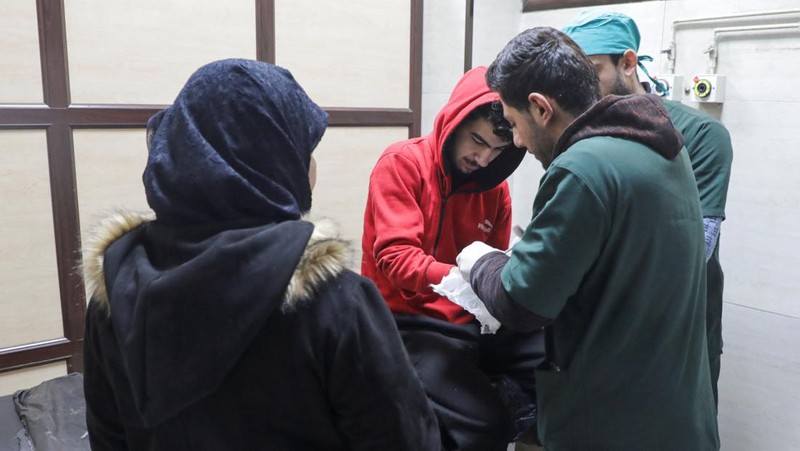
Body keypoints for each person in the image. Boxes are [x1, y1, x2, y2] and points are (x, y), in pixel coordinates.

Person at [81, 59, 440, 451]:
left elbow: (108, 435)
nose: (313, 166)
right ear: (275, 161)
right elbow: (405, 439)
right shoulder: (333, 299)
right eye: (304, 149)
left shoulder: (117, 285)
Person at [457, 27, 720, 448]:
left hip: (613, 423)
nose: (518, 142)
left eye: (513, 124)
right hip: (676, 415)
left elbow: (521, 304)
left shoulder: (580, 167)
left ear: (541, 108)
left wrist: (480, 261)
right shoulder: (659, 144)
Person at [361, 66, 544, 450]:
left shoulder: (495, 190)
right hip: (405, 323)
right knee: (485, 424)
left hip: (473, 322)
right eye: (476, 140)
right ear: (453, 121)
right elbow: (395, 258)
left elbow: (496, 261)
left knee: (554, 365)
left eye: (497, 150)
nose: (483, 158)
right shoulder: (402, 164)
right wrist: (464, 278)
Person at [562, 11, 734, 406]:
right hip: (603, 329)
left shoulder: (701, 135)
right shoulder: (579, 138)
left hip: (678, 331)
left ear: (628, 62)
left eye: (593, 72)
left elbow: (696, 249)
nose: (583, 90)